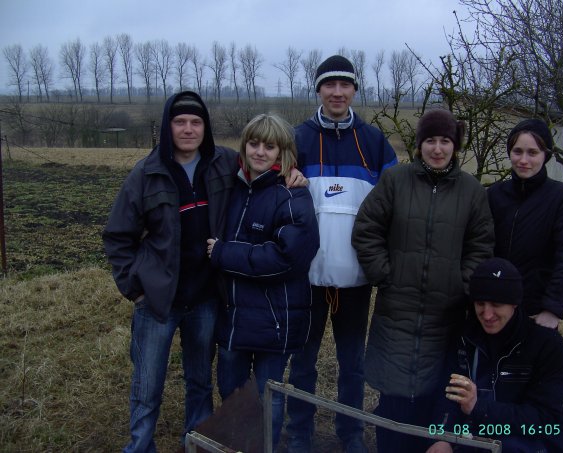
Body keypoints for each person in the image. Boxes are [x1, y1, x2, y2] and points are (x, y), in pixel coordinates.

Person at [103, 92, 306, 452]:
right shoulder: (146, 174)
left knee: (199, 381)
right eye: (180, 122)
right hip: (158, 300)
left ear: (205, 128)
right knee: (147, 386)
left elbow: (263, 162)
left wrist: (291, 172)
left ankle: (195, 443)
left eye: (196, 122)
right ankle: (140, 446)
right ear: (167, 127)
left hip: (206, 298)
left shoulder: (223, 163)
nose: (188, 129)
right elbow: (118, 236)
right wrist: (134, 288)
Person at [351, 108, 494, 453]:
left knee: (437, 391)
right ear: (419, 144)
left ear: (455, 146)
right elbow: (367, 229)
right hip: (396, 310)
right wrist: (384, 273)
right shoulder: (395, 181)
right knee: (394, 396)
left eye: (445, 141)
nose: (437, 148)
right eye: (430, 140)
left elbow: (481, 244)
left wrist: (461, 283)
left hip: (445, 313)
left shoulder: (472, 191)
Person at [286, 55, 398, 453]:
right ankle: (299, 433)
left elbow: (395, 206)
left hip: (355, 278)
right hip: (306, 278)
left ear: (354, 90)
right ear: (318, 90)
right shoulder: (296, 139)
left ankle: (350, 434)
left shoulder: (374, 142)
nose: (337, 92)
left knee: (353, 365)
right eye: (329, 85)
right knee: (303, 363)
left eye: (345, 85)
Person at [206, 114, 319, 451]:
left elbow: (288, 258)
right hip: (233, 317)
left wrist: (224, 253)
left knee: (268, 396)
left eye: (269, 146)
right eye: (253, 144)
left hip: (274, 319)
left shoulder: (293, 195)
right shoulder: (233, 188)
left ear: (283, 152)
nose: (259, 152)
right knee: (232, 393)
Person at [427, 257, 563, 453]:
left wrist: (479, 407)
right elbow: (449, 395)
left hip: (535, 442)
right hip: (478, 438)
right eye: (480, 303)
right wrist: (442, 437)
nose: (487, 314)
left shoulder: (547, 345)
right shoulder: (464, 337)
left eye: (496, 304)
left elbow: (544, 420)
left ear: (514, 303)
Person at [488, 118, 563, 330]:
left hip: (536, 313)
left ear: (545, 155)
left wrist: (552, 309)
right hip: (493, 310)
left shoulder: (562, 198)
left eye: (532, 152)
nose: (523, 160)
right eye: (517, 151)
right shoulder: (494, 195)